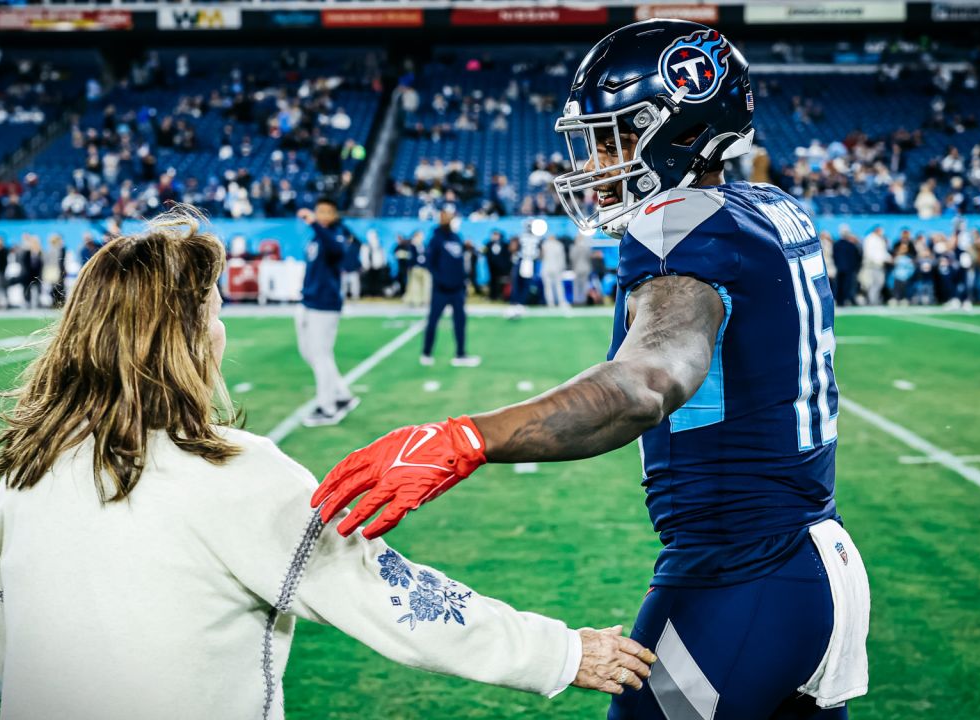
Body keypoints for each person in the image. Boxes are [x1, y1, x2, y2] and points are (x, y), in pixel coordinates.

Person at [313, 20, 868, 720]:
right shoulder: (773, 210)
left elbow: (646, 382)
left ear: (684, 128)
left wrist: (466, 438)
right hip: (819, 566)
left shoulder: (681, 227)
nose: (596, 160)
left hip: (740, 572)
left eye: (615, 136)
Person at [0, 206, 656, 719]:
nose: (221, 332)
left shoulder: (25, 470)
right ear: (182, 337)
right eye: (213, 313)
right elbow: (391, 600)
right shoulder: (232, 474)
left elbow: (10, 645)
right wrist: (564, 652)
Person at [296, 198, 358, 427]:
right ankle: (342, 394)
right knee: (310, 353)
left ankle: (328, 407)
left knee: (321, 354)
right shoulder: (316, 237)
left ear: (334, 214)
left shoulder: (337, 234)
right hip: (309, 300)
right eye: (318, 210)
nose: (321, 215)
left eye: (326, 211)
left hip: (325, 303)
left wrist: (315, 224)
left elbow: (336, 249)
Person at [420, 208, 481, 367]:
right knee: (433, 321)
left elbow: (460, 262)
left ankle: (460, 353)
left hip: (457, 289)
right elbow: (430, 264)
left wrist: (462, 281)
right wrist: (441, 280)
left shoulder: (457, 237)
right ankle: (426, 353)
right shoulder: (435, 239)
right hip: (440, 289)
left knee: (460, 322)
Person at [833, 230, 863, 307]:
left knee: (839, 284)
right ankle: (846, 300)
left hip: (839, 268)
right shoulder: (851, 245)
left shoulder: (836, 244)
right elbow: (857, 257)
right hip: (849, 269)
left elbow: (834, 256)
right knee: (847, 285)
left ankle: (839, 300)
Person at [485, 230, 512, 301]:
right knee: (492, 281)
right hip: (492, 267)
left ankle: (503, 296)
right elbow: (487, 254)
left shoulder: (505, 244)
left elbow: (507, 256)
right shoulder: (489, 244)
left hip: (502, 267)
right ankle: (493, 296)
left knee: (503, 282)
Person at [44, 233, 68, 308]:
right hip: (55, 271)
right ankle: (57, 302)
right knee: (56, 287)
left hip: (54, 270)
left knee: (58, 287)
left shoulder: (53, 250)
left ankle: (57, 302)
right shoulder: (57, 250)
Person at [341, 230, 363, 300]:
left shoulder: (355, 247)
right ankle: (342, 298)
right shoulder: (342, 246)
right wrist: (341, 268)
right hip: (344, 270)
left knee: (355, 286)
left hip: (353, 269)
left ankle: (355, 298)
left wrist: (353, 235)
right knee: (343, 287)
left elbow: (360, 243)